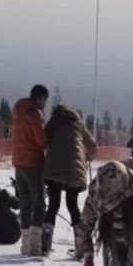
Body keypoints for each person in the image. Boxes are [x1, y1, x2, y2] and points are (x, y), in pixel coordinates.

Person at [42, 104, 97, 256]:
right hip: (75, 168)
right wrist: (88, 157)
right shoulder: (78, 123)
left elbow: (43, 140)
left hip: (55, 167)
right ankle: (80, 245)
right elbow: (93, 147)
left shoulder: (54, 122)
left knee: (53, 205)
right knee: (72, 205)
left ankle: (46, 243)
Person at [12, 84, 49, 257]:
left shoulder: (18, 113)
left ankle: (25, 244)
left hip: (18, 163)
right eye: (45, 100)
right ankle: (35, 245)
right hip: (32, 163)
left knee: (25, 204)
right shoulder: (34, 114)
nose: (45, 104)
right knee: (39, 204)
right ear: (40, 98)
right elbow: (41, 140)